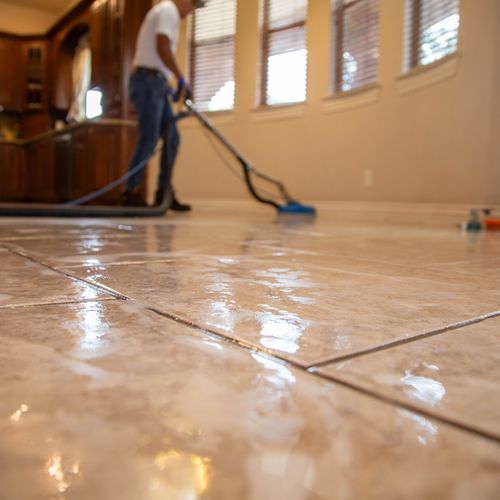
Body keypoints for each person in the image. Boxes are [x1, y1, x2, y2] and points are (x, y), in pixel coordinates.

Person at [120, 0, 207, 209]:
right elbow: (162, 46)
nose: (191, 12)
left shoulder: (166, 13)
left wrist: (168, 85)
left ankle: (163, 193)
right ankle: (130, 192)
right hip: (148, 82)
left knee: (172, 138)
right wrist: (180, 78)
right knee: (149, 138)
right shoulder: (168, 10)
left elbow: (155, 56)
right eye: (193, 7)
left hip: (155, 82)